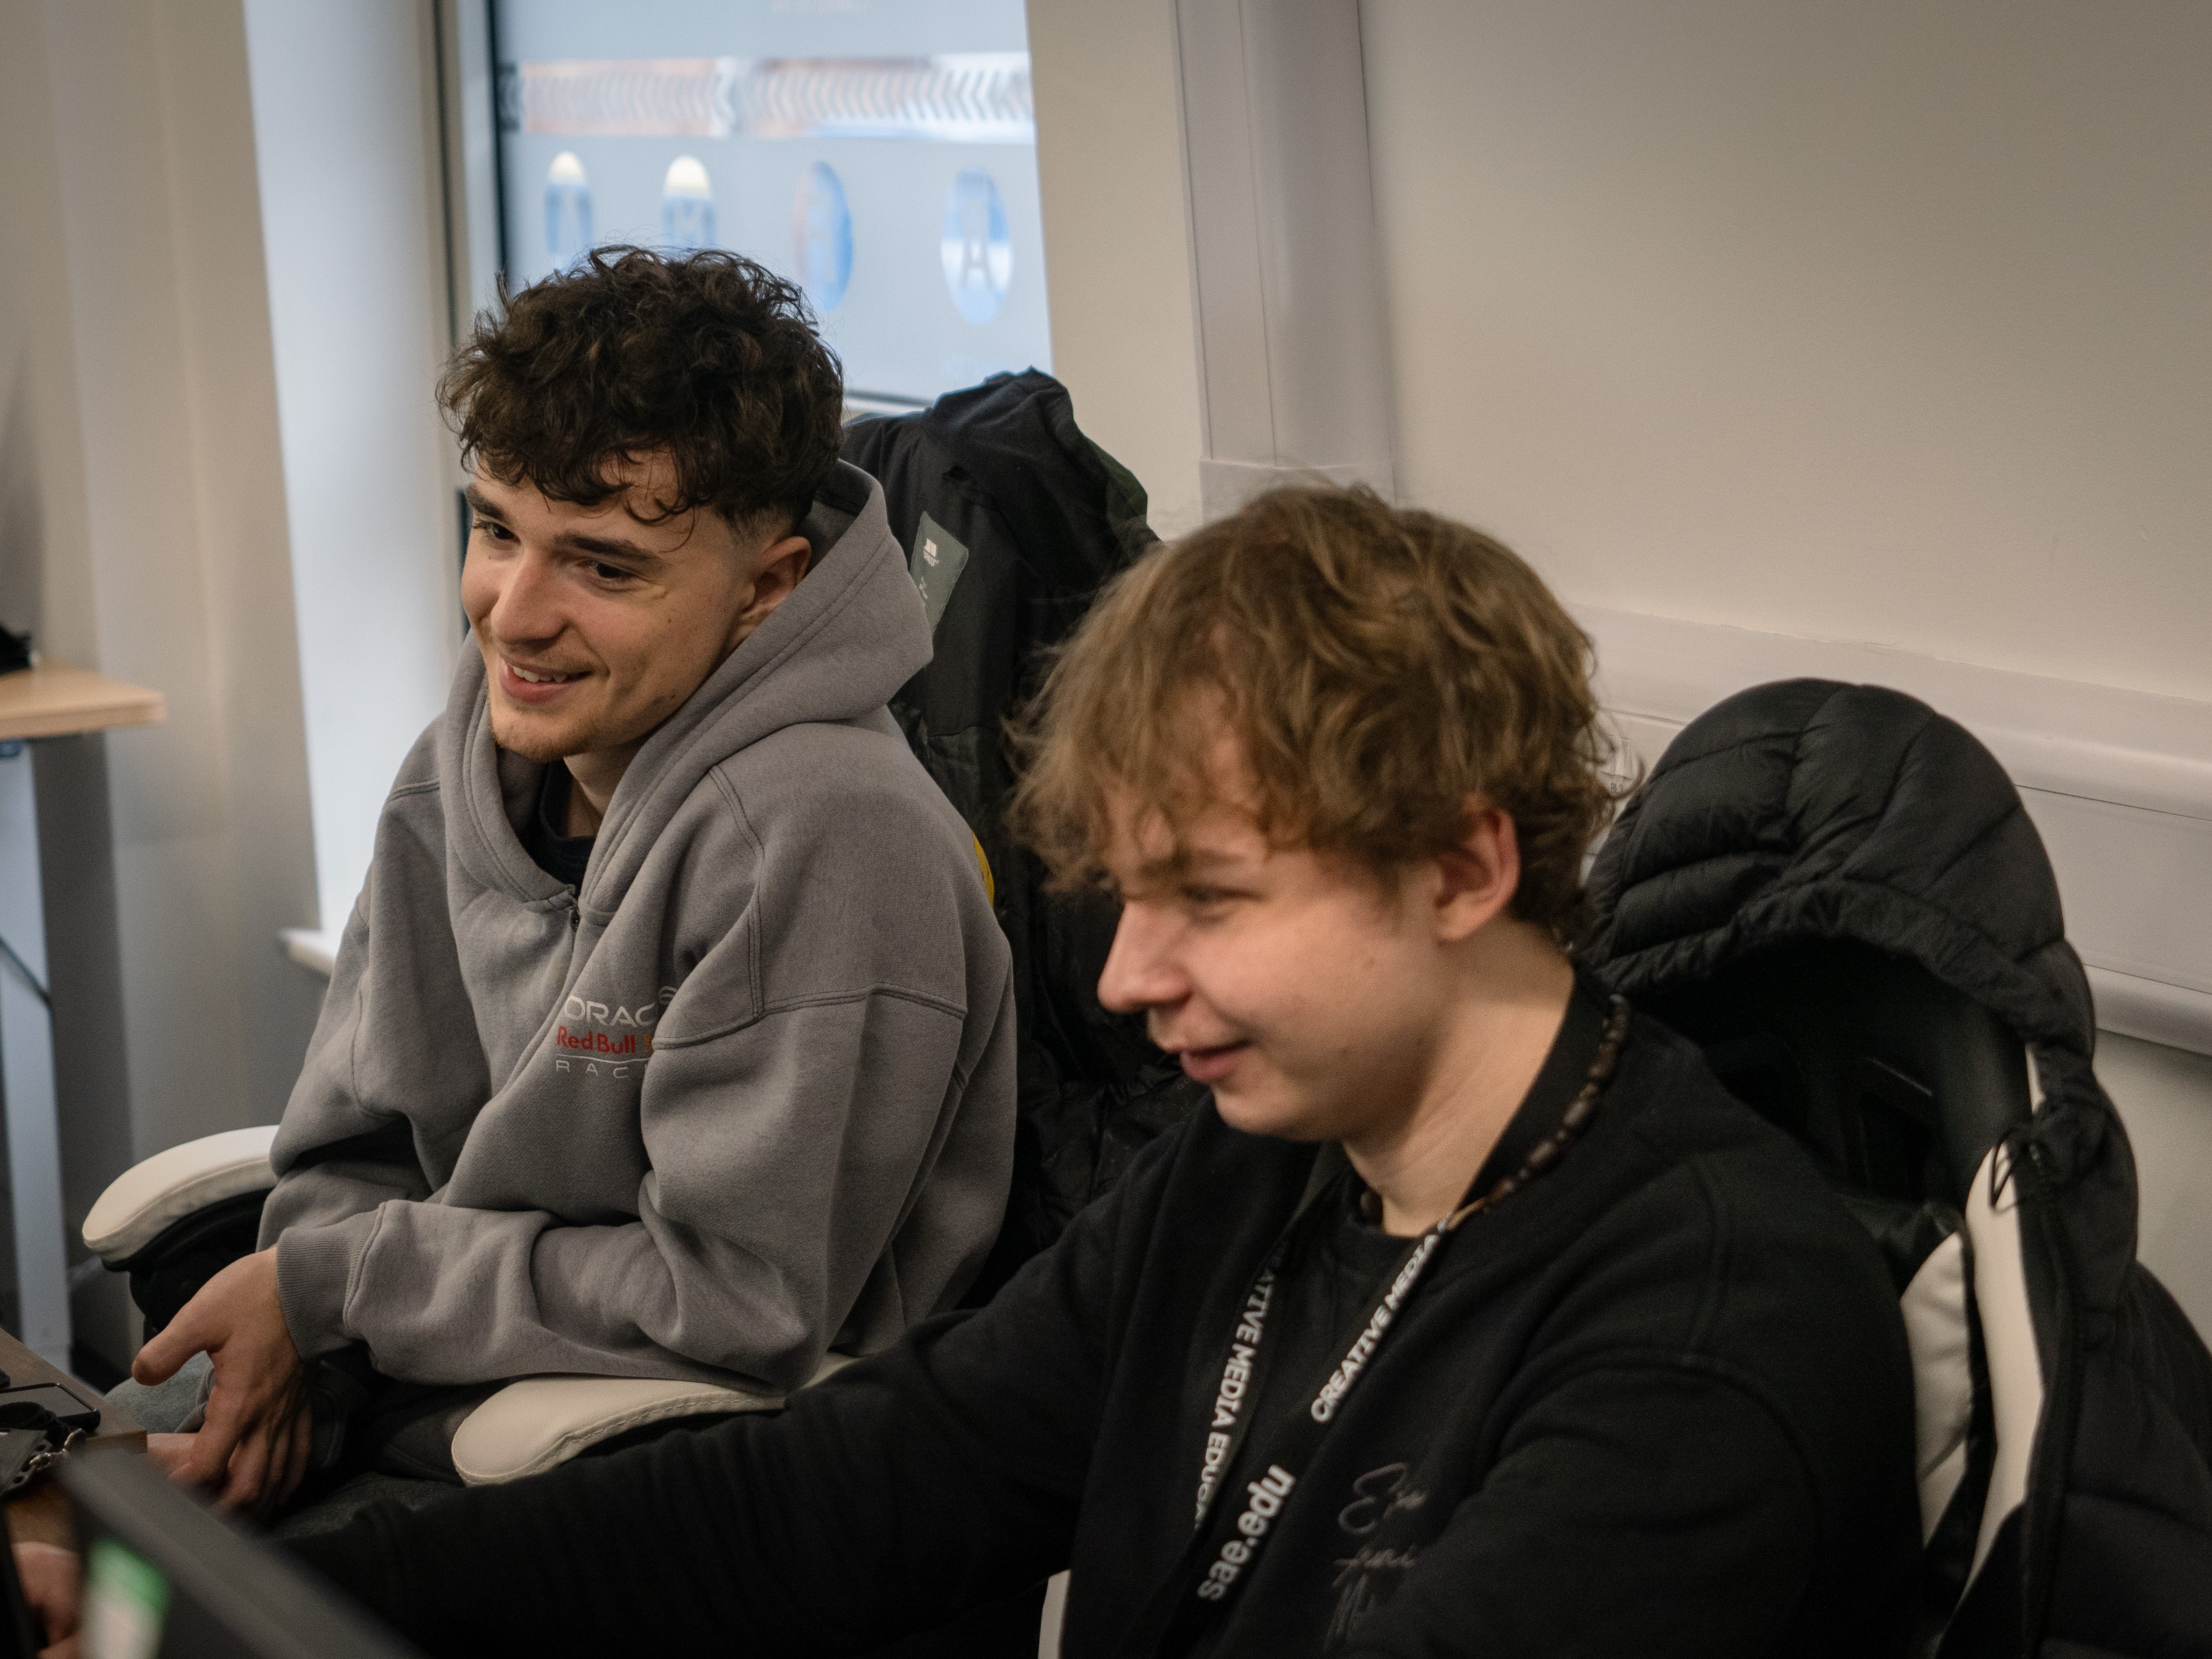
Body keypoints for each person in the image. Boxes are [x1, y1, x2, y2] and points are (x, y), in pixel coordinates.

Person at [32, 484, 1917, 1656]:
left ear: (1464, 866)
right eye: (1123, 892)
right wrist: (290, 1613)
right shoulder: (1268, 1161)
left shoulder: (1702, 1329)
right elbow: (873, 1484)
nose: (1126, 972)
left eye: (1210, 899)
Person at [108, 245, 1017, 1517]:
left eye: (603, 565)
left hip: (650, 1483)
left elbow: (735, 1298)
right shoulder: (462, 766)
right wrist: (308, 1347)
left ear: (766, 589)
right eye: (495, 530)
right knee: (73, 1540)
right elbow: (348, 1154)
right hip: (406, 1402)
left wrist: (340, 1292)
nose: (512, 616)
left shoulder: (825, 836)